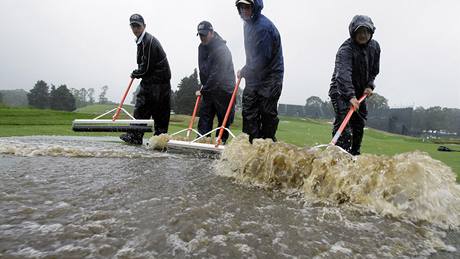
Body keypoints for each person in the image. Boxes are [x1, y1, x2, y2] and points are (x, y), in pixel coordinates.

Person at [329, 15, 381, 155]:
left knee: (359, 125)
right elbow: (343, 74)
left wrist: (369, 85)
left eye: (366, 32)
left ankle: (355, 155)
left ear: (371, 32)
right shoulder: (345, 50)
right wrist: (350, 96)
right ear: (353, 32)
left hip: (359, 92)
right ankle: (339, 158)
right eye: (360, 32)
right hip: (340, 91)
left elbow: (374, 69)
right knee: (344, 127)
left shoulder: (375, 47)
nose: (363, 35)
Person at [235, 0, 284, 143]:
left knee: (267, 114)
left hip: (270, 77)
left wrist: (245, 70)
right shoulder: (247, 25)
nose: (244, 10)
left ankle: (266, 147)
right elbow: (252, 55)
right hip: (254, 76)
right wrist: (247, 69)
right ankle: (250, 147)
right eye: (241, 7)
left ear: (255, 7)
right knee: (249, 112)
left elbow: (262, 58)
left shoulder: (263, 28)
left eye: (247, 7)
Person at [120, 14, 172, 145]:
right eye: (133, 26)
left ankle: (136, 136)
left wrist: (136, 73)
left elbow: (146, 67)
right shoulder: (143, 41)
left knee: (143, 107)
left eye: (138, 26)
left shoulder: (148, 41)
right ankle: (159, 140)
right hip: (160, 82)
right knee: (159, 112)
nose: (135, 29)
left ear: (144, 26)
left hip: (156, 82)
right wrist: (140, 72)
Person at [196, 21, 236, 144]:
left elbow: (217, 74)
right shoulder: (201, 47)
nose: (202, 38)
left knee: (223, 122)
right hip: (209, 88)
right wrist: (204, 86)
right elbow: (203, 70)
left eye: (204, 35)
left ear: (211, 33)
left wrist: (203, 89)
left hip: (224, 90)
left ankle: (220, 144)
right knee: (204, 118)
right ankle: (202, 143)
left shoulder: (221, 49)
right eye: (200, 35)